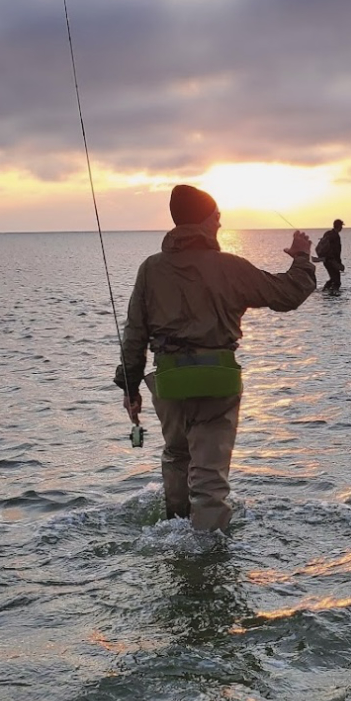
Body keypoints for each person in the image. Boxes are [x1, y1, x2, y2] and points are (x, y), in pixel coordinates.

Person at [114, 184, 316, 534]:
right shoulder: (229, 267)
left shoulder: (150, 269)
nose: (220, 225)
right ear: (206, 222)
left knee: (177, 459)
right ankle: (205, 558)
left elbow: (135, 335)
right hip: (216, 382)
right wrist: (301, 257)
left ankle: (175, 532)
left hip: (170, 383)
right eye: (217, 218)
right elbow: (288, 294)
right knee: (209, 479)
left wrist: (130, 389)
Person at [316, 218, 345, 292]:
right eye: (341, 226)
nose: (342, 228)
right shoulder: (336, 236)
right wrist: (339, 263)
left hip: (325, 260)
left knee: (333, 278)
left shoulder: (327, 233)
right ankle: (331, 294)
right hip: (332, 260)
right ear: (339, 226)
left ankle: (326, 291)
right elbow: (337, 251)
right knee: (337, 281)